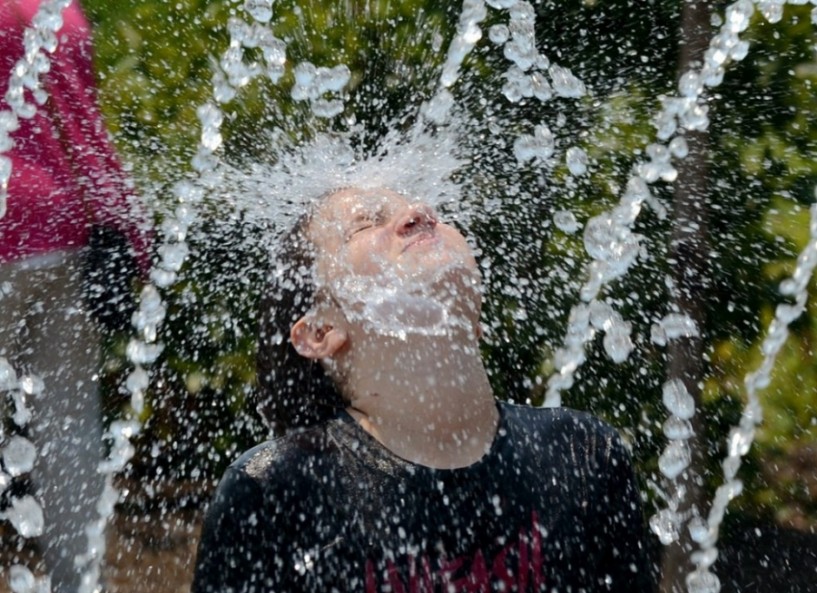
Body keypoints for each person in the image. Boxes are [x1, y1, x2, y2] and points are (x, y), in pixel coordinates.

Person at [192, 187, 655, 592]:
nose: (417, 211)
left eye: (420, 203)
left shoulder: (581, 454)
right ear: (320, 331)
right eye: (366, 223)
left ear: (475, 320)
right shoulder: (277, 489)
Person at [0, 1, 150, 591]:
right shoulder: (60, 11)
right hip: (63, 228)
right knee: (68, 427)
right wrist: (129, 227)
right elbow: (84, 125)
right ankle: (77, 581)